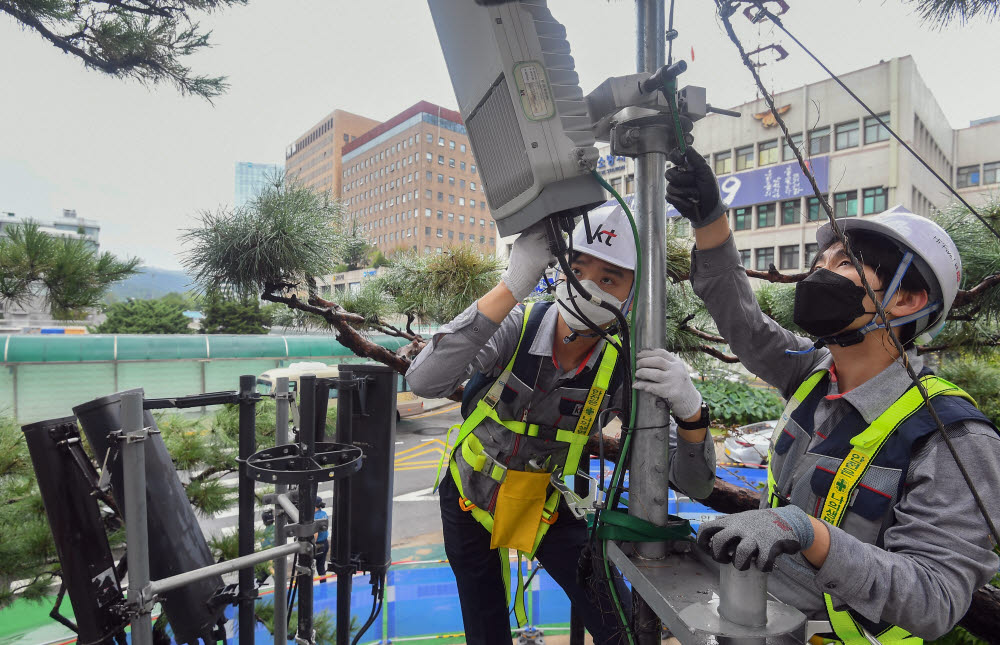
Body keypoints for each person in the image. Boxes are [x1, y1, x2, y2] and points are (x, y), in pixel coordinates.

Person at [664, 146, 1000, 642]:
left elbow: (935, 598)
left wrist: (808, 531)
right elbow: (742, 319)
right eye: (820, 260)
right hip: (756, 616)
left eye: (844, 262)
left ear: (906, 299)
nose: (819, 273)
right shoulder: (812, 372)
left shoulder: (953, 437)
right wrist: (710, 222)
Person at [406, 208, 717, 645]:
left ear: (633, 295)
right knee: (485, 626)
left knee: (619, 627)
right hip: (468, 494)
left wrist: (691, 413)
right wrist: (510, 288)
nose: (587, 287)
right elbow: (423, 380)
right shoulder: (516, 326)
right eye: (577, 270)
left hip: (544, 500)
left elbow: (695, 483)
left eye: (609, 278)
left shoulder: (623, 368)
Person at [313, 496, 329, 581]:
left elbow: (315, 534)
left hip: (318, 545)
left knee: (308, 566)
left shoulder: (314, 517)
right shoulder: (324, 514)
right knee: (321, 567)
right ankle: (323, 585)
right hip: (325, 543)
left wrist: (312, 545)